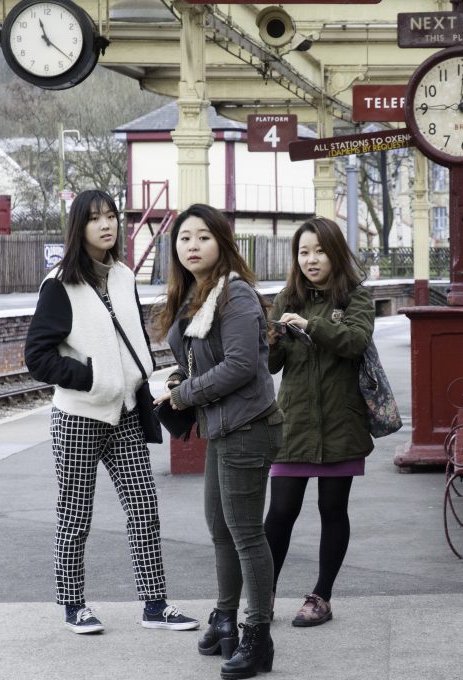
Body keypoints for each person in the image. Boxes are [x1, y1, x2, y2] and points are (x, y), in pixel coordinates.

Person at [24, 189, 198, 635]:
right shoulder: (59, 285)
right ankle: (73, 606)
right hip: (79, 416)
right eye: (95, 218)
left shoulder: (122, 276)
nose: (107, 225)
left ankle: (154, 604)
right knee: (75, 514)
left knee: (144, 507)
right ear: (78, 227)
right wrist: (94, 377)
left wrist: (141, 379)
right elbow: (37, 357)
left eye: (112, 217)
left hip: (123, 413)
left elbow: (131, 335)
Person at [153, 204, 282, 679]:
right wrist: (176, 381)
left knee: (246, 533)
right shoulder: (196, 295)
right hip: (223, 426)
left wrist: (184, 394)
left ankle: (258, 636)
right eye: (184, 238)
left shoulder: (236, 295)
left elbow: (242, 365)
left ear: (222, 243)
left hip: (248, 427)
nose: (192, 246)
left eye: (203, 237)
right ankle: (225, 617)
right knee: (220, 527)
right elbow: (199, 360)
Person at [264, 216, 375, 628]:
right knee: (280, 512)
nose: (311, 259)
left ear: (335, 253)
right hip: (293, 421)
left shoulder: (355, 299)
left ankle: (321, 596)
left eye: (319, 251)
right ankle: (264, 593)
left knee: (333, 508)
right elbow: (272, 366)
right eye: (303, 252)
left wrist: (311, 326)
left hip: (340, 422)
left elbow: (355, 342)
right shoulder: (285, 298)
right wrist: (271, 339)